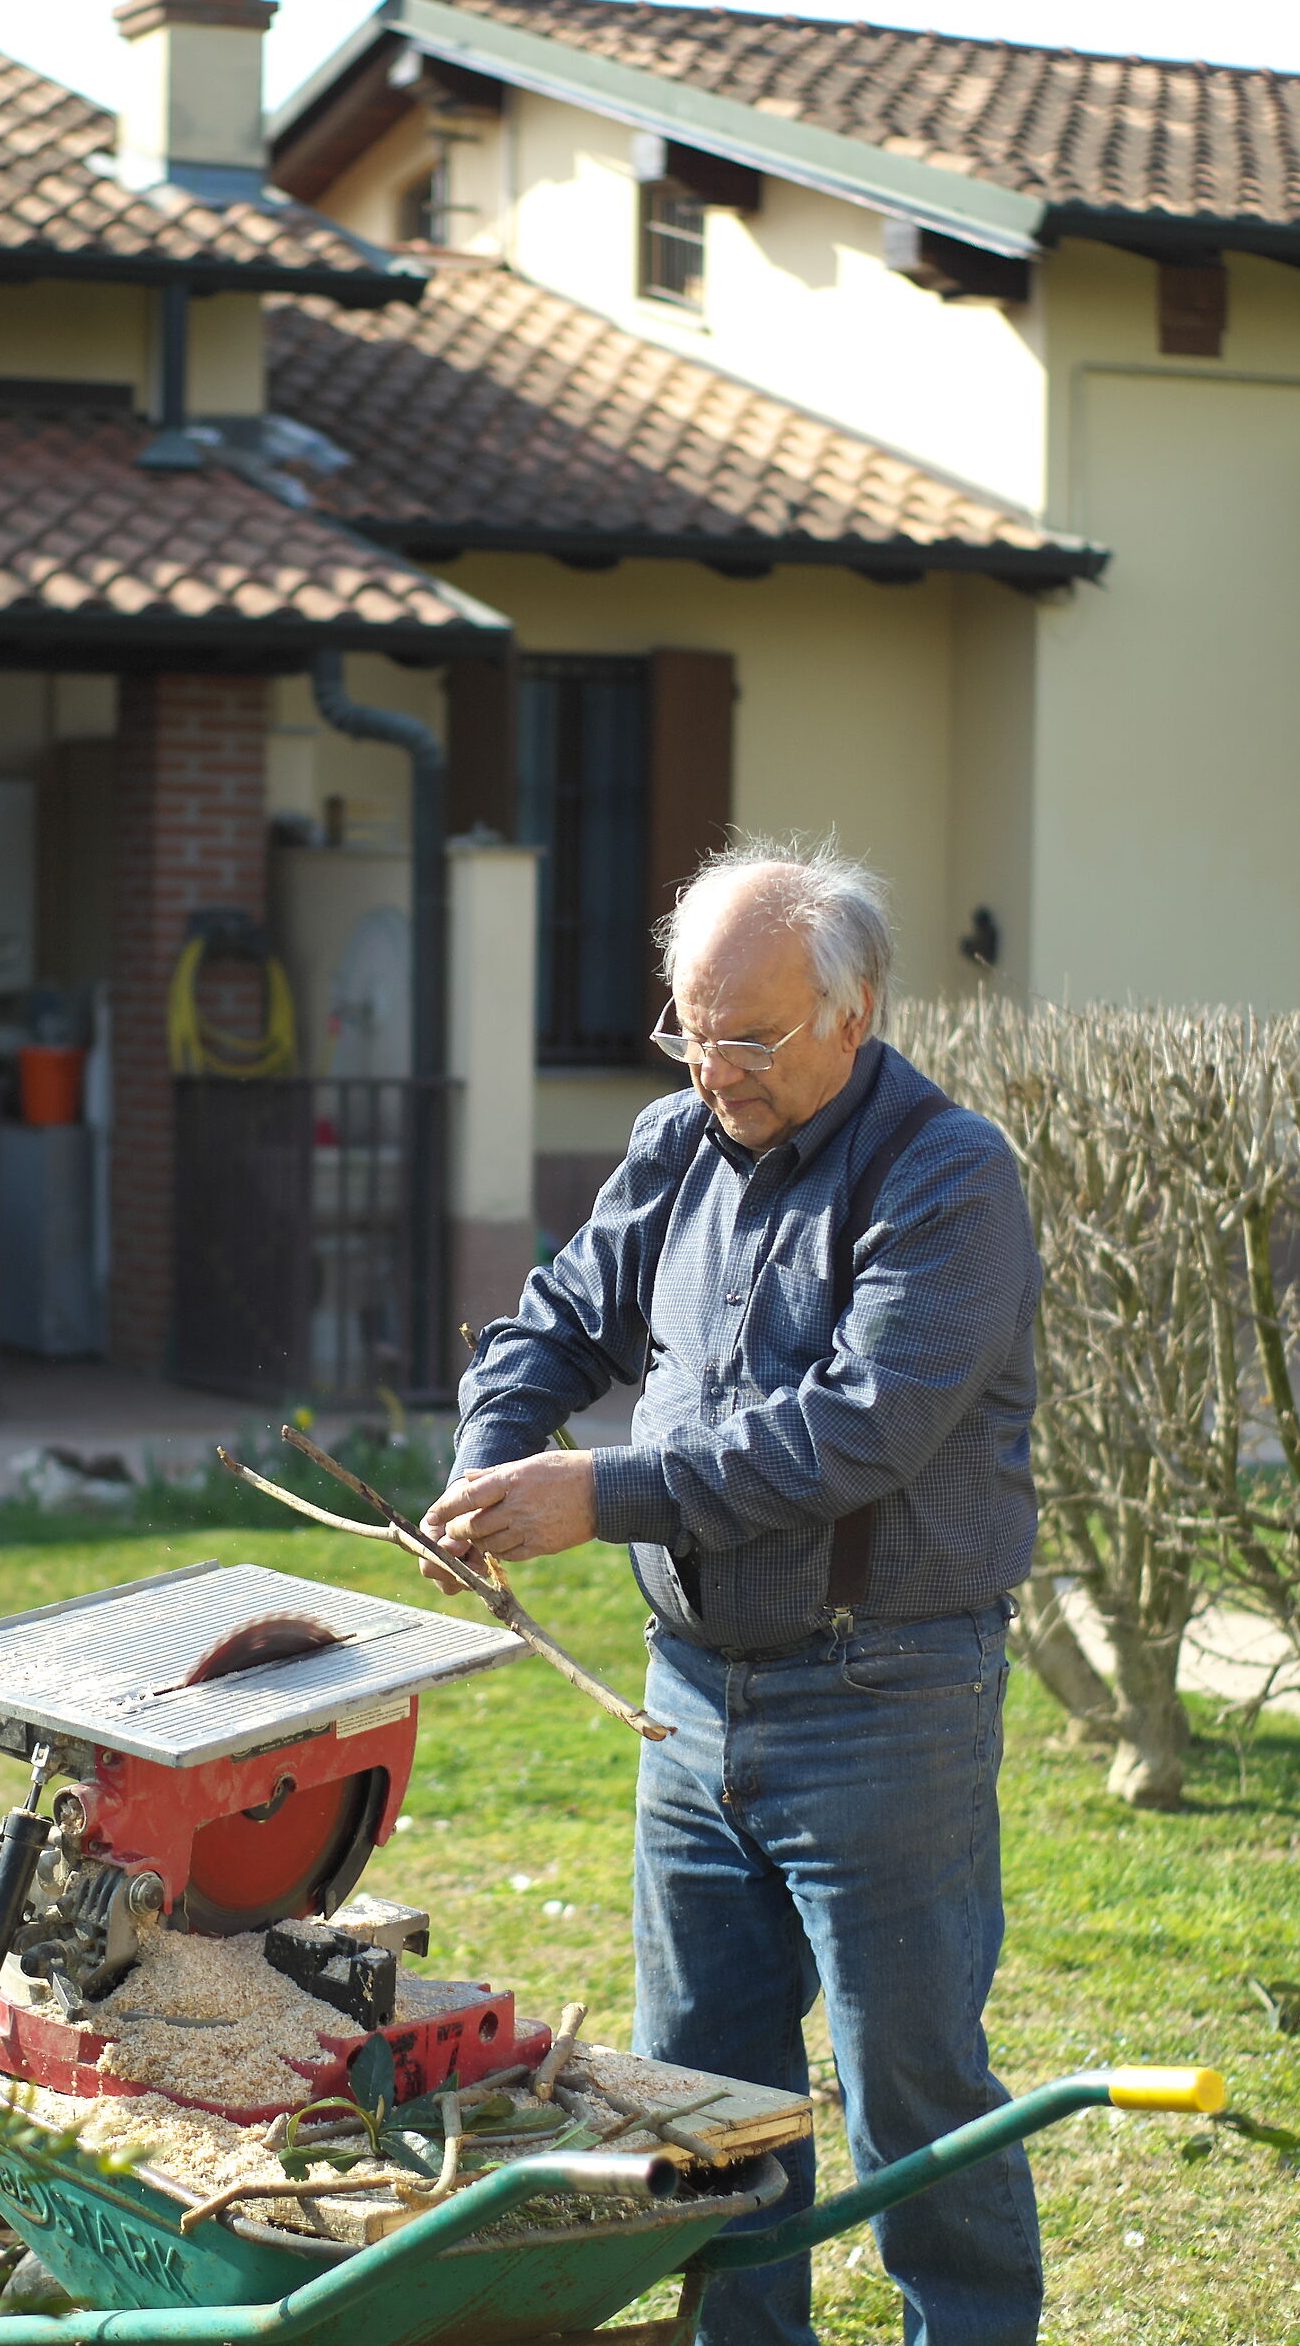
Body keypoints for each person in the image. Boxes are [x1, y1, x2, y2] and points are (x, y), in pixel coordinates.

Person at [420, 838, 1045, 2346]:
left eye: (749, 1037)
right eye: (689, 1031)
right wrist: (496, 1449)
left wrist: (599, 1493)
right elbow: (560, 1318)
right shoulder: (676, 1142)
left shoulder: (947, 1178)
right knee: (704, 2095)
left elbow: (854, 1431)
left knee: (913, 2086)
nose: (715, 1069)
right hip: (688, 1699)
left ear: (855, 1009)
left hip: (881, 1693)